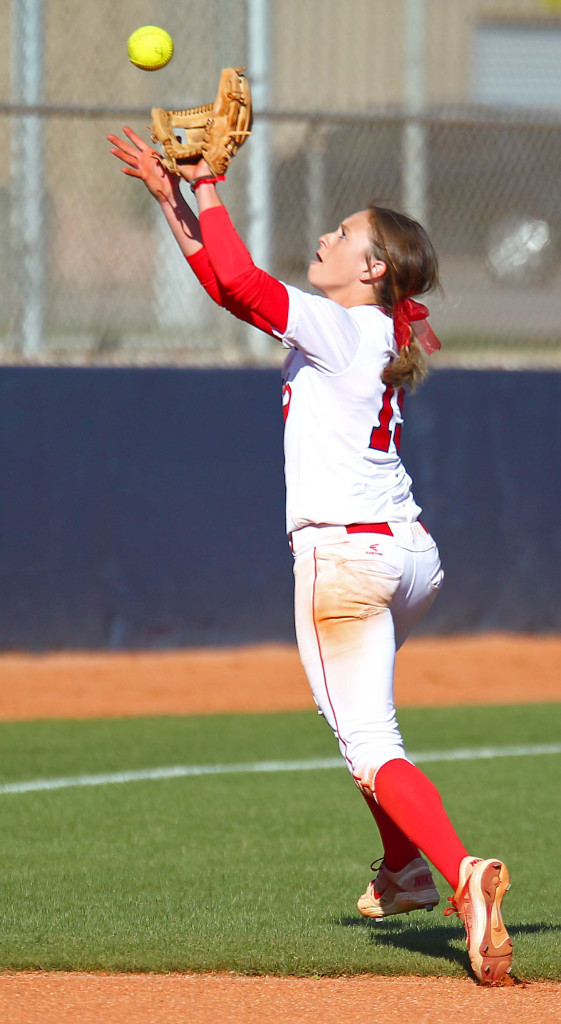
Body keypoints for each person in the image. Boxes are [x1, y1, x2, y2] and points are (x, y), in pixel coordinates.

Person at [107, 126, 513, 984]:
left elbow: (244, 282)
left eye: (342, 234)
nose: (325, 238)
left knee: (368, 742)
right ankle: (401, 870)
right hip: (410, 561)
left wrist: (210, 184)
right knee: (363, 725)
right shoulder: (362, 331)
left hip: (345, 564)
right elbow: (230, 290)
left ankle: (459, 874)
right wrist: (174, 200)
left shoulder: (341, 326)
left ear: (372, 269)